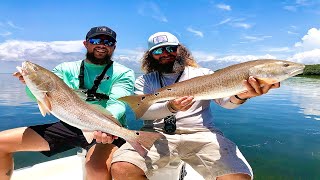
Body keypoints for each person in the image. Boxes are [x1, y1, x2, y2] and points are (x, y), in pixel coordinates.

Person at [111, 32, 280, 180]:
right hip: (156, 134)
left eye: (170, 48)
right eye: (158, 50)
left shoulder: (204, 74)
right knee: (121, 169)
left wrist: (241, 96)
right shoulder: (144, 81)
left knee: (237, 175)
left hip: (202, 134)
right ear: (150, 55)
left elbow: (225, 103)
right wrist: (171, 107)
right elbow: (144, 114)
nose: (165, 54)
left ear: (180, 49)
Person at [0, 26, 135, 180]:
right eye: (96, 40)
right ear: (86, 44)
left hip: (105, 128)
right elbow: (39, 95)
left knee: (96, 169)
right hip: (69, 124)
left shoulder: (124, 72)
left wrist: (107, 126)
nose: (102, 45)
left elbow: (118, 102)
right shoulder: (65, 68)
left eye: (108, 42)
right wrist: (29, 82)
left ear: (114, 47)